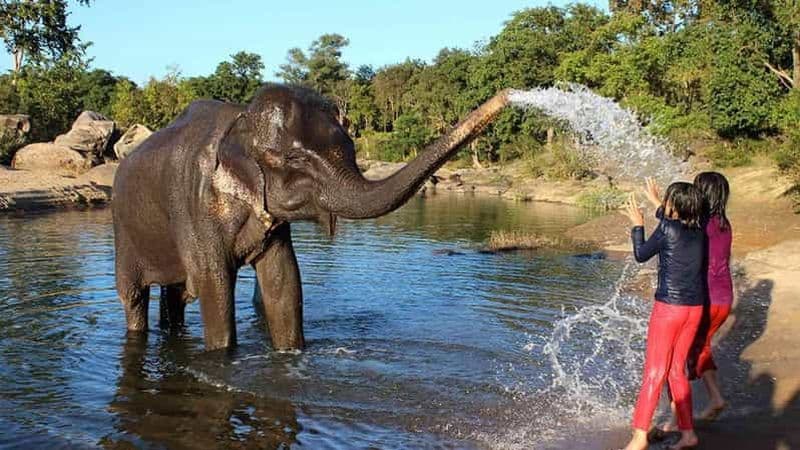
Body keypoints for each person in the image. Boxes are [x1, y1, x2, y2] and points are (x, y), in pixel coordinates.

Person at [621, 181, 706, 450]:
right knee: (676, 372)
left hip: (669, 309)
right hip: (695, 308)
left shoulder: (668, 228)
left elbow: (641, 254)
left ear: (674, 206)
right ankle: (688, 434)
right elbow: (672, 222)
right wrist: (656, 200)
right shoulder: (700, 230)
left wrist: (637, 224)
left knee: (655, 372)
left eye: (668, 201)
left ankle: (639, 437)